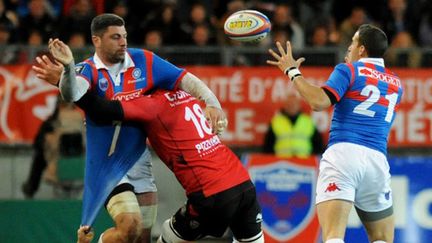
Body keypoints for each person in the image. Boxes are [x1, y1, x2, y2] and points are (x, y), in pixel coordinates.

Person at [32, 13, 226, 243]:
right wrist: (68, 67)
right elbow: (72, 93)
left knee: (142, 239)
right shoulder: (88, 70)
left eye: (124, 36)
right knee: (129, 228)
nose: (123, 42)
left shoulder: (144, 60)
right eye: (115, 37)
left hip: (139, 160)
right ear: (97, 40)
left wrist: (212, 103)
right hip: (107, 164)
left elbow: (186, 79)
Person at [69, 88, 264, 243]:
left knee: (167, 235)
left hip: (211, 192)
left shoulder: (151, 103)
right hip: (243, 183)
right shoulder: (186, 95)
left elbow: (105, 109)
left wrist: (71, 88)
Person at [267, 24, 403, 243]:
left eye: (353, 42)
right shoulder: (396, 83)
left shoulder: (348, 69)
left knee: (333, 237)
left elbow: (319, 102)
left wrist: (292, 72)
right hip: (377, 160)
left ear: (362, 50)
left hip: (344, 155)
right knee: (382, 239)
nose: (348, 48)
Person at [22, 96, 84, 198]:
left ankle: (31, 188)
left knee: (39, 156)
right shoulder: (80, 117)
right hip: (81, 160)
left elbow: (38, 143)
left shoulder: (53, 121)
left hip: (58, 160)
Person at [263, 89, 324, 157]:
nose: (291, 106)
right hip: (282, 163)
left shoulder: (308, 122)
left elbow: (318, 145)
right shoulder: (276, 122)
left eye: (294, 104)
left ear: (299, 105)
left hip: (305, 163)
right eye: (289, 104)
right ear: (285, 105)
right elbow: (268, 146)